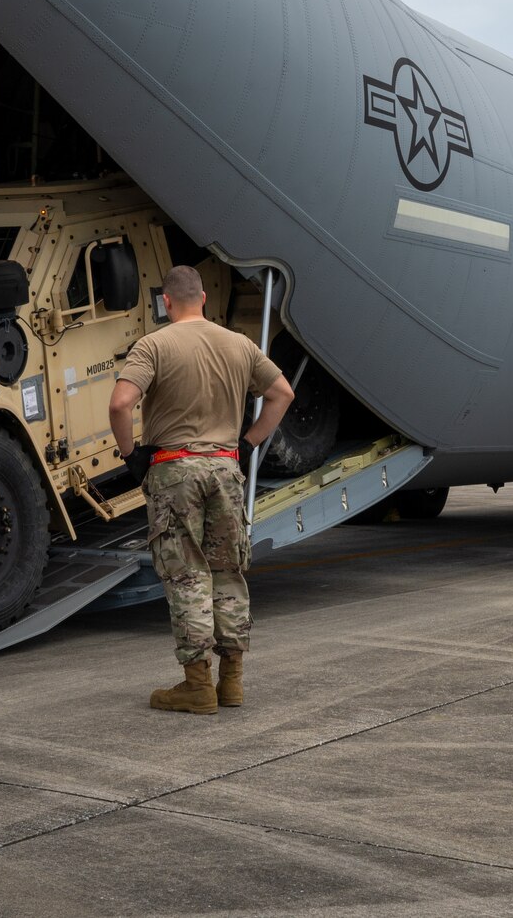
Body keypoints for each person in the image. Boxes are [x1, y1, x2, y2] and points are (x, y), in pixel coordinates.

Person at [109, 265, 294, 714]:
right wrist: (249, 443)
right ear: (205, 297)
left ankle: (197, 686)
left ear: (166, 301)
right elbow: (282, 393)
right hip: (226, 468)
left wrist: (131, 453)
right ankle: (231, 682)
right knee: (228, 571)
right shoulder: (240, 344)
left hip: (175, 469)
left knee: (188, 574)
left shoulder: (153, 345)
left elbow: (120, 403)